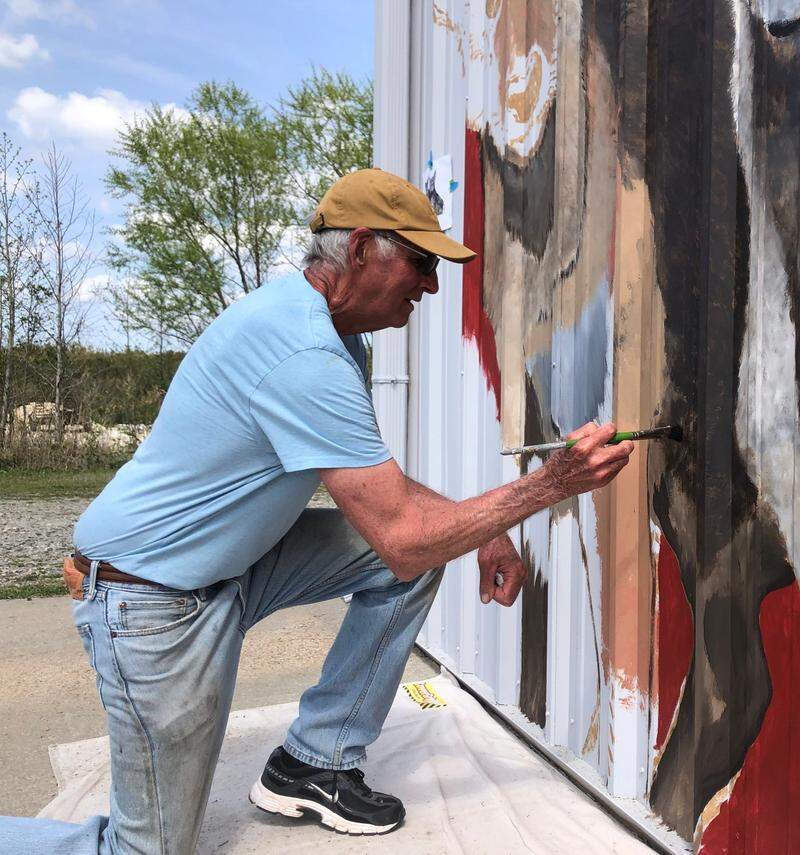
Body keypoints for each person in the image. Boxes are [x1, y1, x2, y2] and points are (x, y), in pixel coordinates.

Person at [0, 168, 634, 854]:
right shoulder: (302, 350)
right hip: (150, 598)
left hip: (230, 565)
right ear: (361, 249)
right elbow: (401, 537)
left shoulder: (336, 337)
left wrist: (487, 532)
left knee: (422, 557)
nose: (431, 285)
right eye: (421, 263)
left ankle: (316, 761)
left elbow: (378, 495)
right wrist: (550, 484)